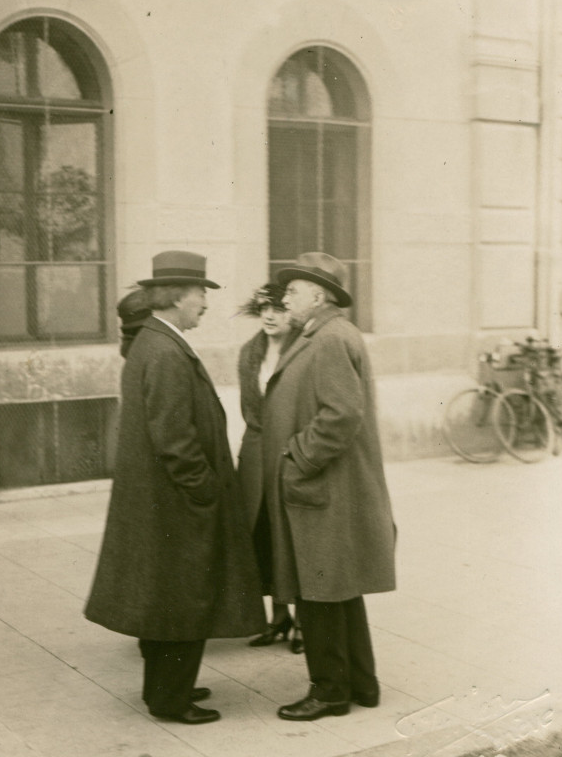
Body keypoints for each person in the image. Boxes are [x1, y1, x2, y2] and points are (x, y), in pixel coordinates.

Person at [84, 250, 266, 725]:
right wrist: (204, 489)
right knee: (184, 600)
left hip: (166, 501)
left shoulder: (156, 341)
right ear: (176, 297)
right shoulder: (165, 349)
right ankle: (170, 698)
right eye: (201, 292)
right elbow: (174, 437)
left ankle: (167, 688)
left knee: (168, 600)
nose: (205, 302)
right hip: (179, 502)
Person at [262, 252, 397, 721]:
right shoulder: (324, 334)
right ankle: (362, 684)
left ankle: (330, 692)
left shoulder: (328, 338)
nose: (286, 297)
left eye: (294, 290)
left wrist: (298, 459)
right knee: (339, 589)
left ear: (318, 296)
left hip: (323, 490)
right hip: (328, 491)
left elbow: (341, 414)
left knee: (317, 591)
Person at [236, 283, 303, 653]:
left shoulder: (303, 350)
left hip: (289, 452)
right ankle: (279, 618)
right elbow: (250, 409)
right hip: (256, 452)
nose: (270, 315)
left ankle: (305, 624)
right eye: (263, 307)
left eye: (278, 308)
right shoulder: (250, 353)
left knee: (294, 535)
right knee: (261, 532)